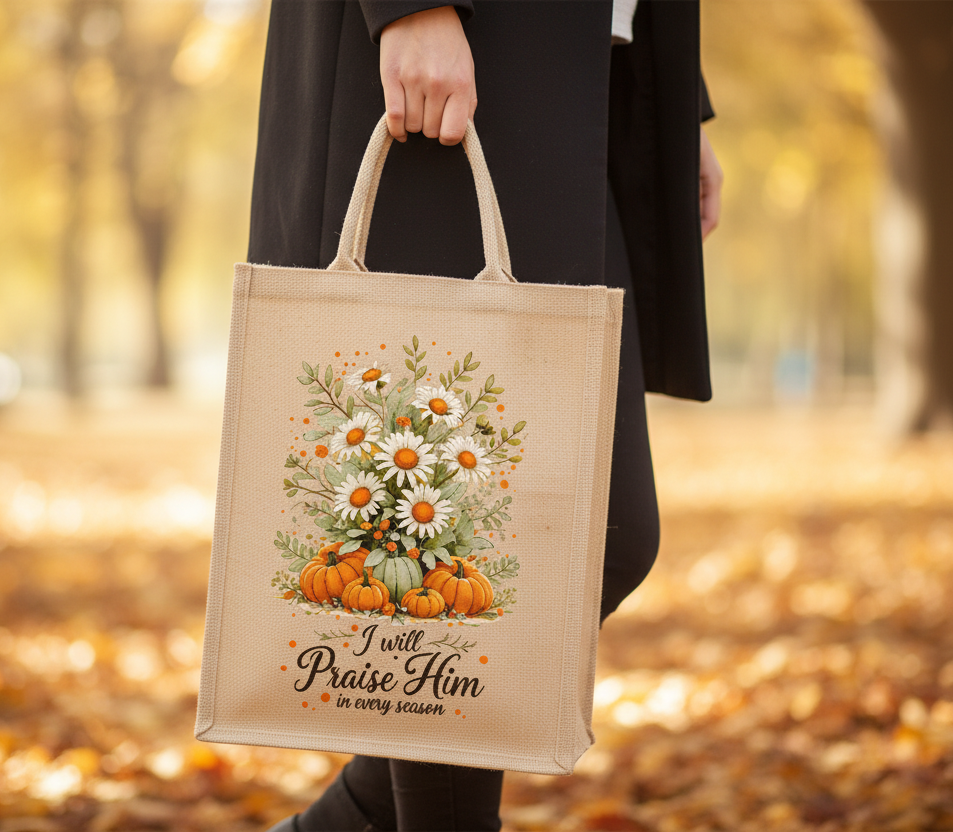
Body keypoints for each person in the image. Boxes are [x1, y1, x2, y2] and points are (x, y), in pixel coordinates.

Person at [253, 1, 722, 829]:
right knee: (440, 558)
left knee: (599, 538)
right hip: (447, 59)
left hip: (585, 79)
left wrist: (677, 98)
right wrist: (411, 7)